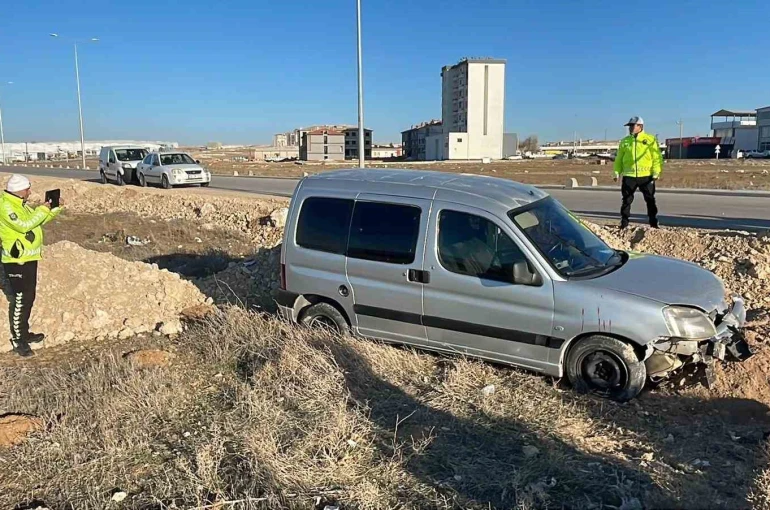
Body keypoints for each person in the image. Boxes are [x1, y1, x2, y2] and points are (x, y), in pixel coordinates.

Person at [0, 175, 62, 357]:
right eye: (28, 189)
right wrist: (42, 209)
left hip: (29, 258)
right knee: (20, 299)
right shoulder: (6, 206)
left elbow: (37, 221)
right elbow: (24, 226)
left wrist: (54, 209)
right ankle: (19, 339)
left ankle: (25, 333)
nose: (30, 192)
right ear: (19, 189)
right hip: (16, 260)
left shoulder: (20, 204)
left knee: (29, 297)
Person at [613, 116, 663, 229]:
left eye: (632, 126)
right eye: (629, 126)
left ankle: (653, 223)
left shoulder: (650, 139)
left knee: (650, 199)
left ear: (640, 126)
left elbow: (657, 157)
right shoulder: (625, 141)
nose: (630, 128)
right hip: (629, 176)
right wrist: (616, 172)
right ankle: (624, 223)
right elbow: (619, 158)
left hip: (646, 176)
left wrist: (656, 172)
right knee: (626, 200)